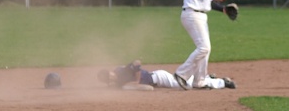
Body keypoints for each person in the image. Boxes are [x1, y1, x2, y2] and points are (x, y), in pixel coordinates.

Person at [174, 0, 233, 90]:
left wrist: (223, 9)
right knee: (204, 47)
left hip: (199, 15)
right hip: (192, 14)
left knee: (206, 48)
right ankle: (181, 74)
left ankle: (199, 81)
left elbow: (207, 2)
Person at [98, 59, 236, 90]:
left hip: (159, 78)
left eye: (109, 76)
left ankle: (223, 82)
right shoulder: (117, 81)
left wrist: (137, 81)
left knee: (185, 85)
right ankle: (207, 77)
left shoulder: (121, 71)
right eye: (108, 80)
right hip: (157, 79)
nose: (111, 79)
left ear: (110, 72)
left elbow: (137, 63)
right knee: (184, 82)